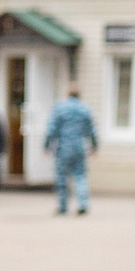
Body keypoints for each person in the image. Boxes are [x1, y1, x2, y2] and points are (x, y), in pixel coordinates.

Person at [45, 85, 98, 215]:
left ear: (67, 94)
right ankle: (83, 204)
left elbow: (51, 128)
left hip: (63, 146)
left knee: (62, 177)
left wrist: (46, 145)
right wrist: (94, 146)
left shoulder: (60, 108)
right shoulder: (85, 108)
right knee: (80, 175)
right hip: (79, 146)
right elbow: (92, 130)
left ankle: (63, 206)